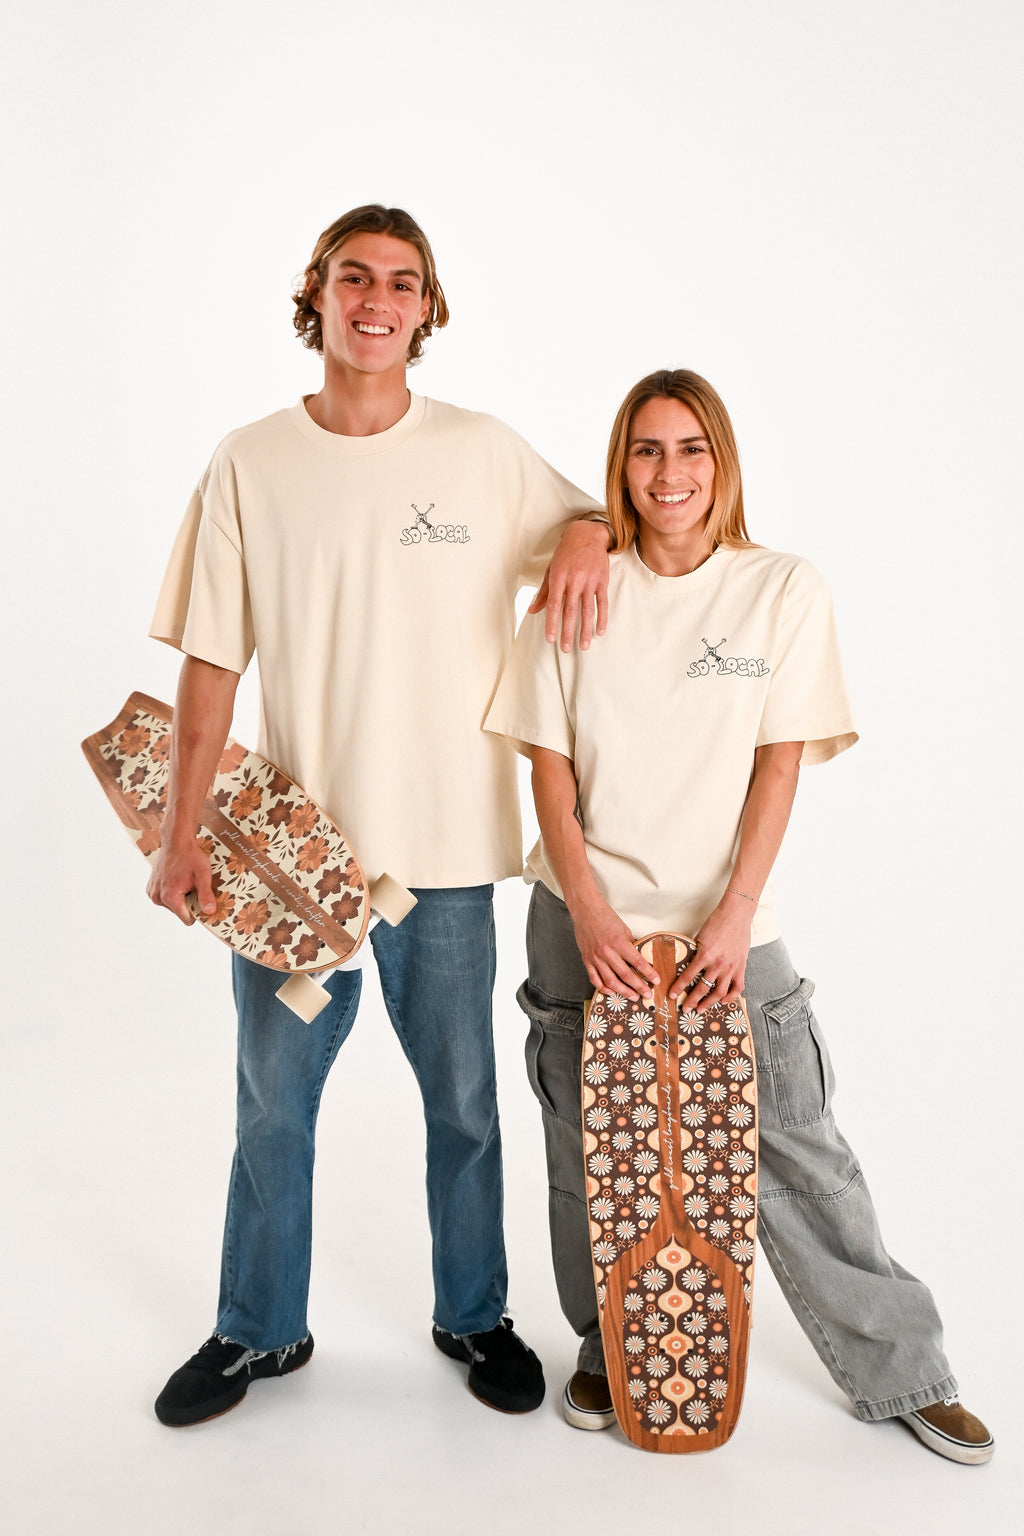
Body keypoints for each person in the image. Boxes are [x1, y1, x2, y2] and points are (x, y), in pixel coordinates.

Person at [146, 204, 611, 1427]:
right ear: (318, 291)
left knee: (463, 1104)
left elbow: (599, 515)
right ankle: (257, 1330)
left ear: (426, 308)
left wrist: (584, 535)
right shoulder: (251, 461)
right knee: (273, 1105)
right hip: (293, 863)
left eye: (402, 283)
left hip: (444, 857)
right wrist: (182, 832)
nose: (377, 300)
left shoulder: (481, 452)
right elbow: (209, 663)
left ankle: (474, 1313)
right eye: (355, 277)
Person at [484, 368, 994, 1464]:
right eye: (646, 449)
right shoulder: (578, 591)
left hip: (730, 926)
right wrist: (590, 910)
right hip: (583, 921)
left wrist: (734, 913)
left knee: (797, 1143)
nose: (668, 473)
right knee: (593, 1153)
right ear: (620, 466)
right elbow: (547, 771)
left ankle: (904, 1369)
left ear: (722, 463)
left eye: (691, 449)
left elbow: (778, 766)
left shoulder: (781, 590)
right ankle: (608, 1347)